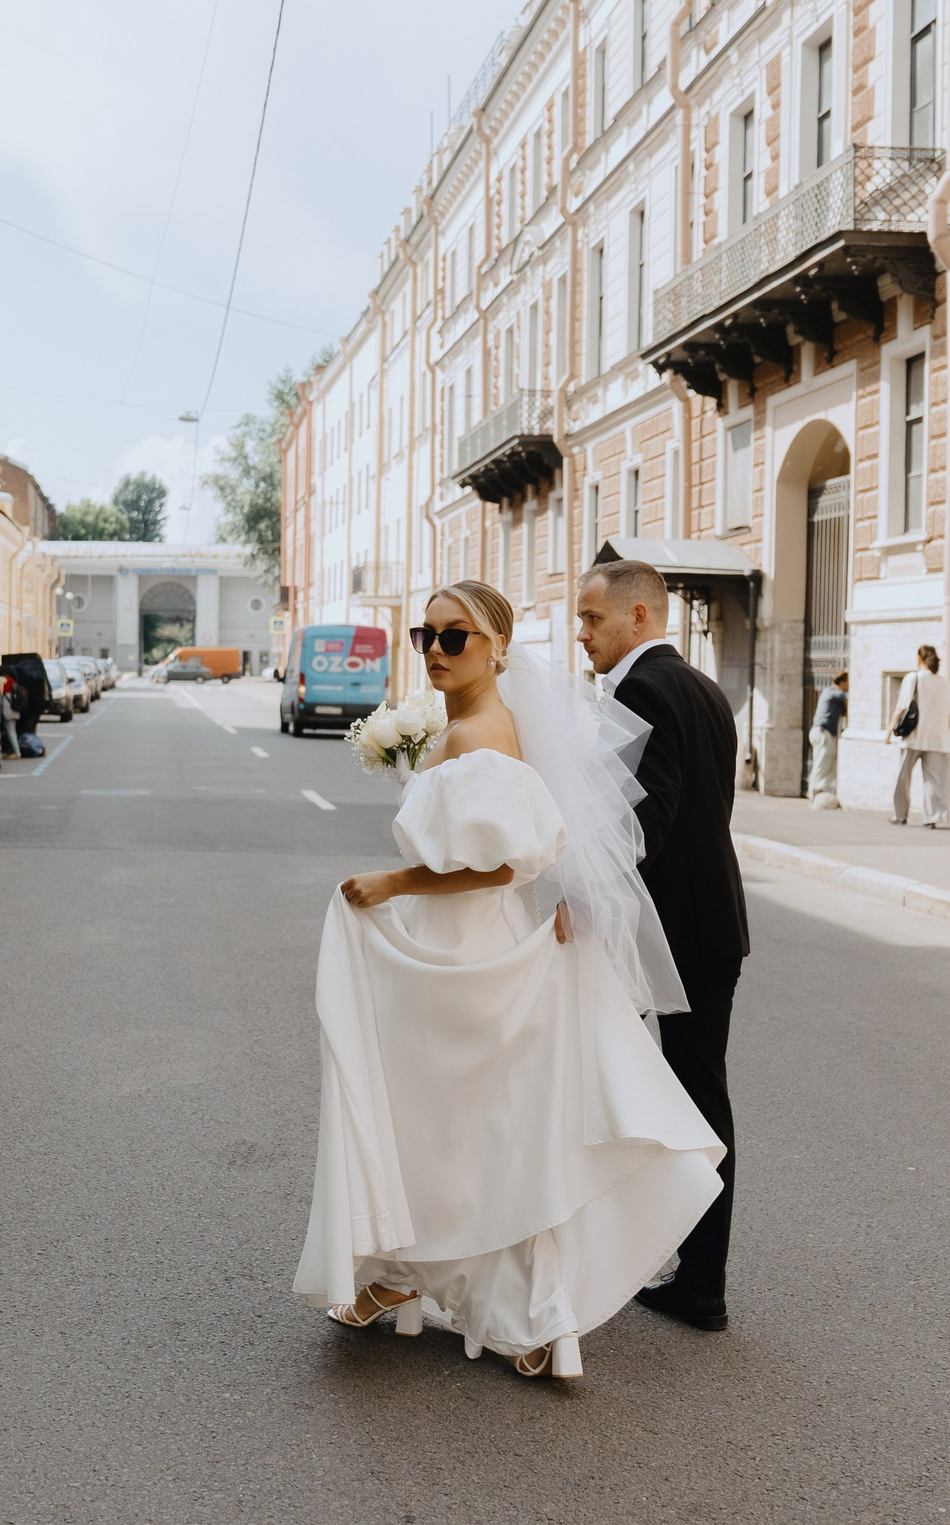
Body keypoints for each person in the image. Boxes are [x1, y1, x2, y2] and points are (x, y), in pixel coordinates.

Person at [296, 580, 722, 1381]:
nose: (435, 650)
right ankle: (408, 1276)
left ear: (497, 646)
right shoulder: (484, 724)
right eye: (426, 636)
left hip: (461, 954)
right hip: (460, 944)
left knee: (456, 1126)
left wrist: (392, 882)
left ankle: (491, 1299)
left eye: (454, 637)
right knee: (456, 1124)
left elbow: (496, 866)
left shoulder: (479, 736)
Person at [573, 558, 749, 1334]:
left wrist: (582, 889)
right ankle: (697, 1275)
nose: (582, 634)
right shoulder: (703, 687)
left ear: (638, 616)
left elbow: (647, 820)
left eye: (593, 619)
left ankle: (698, 1282)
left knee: (684, 1099)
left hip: (675, 932)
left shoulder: (642, 690)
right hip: (712, 924)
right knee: (698, 1093)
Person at [890, 644, 950, 828]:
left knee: (903, 777)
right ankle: (932, 817)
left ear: (919, 658)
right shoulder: (943, 682)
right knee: (934, 781)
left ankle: (901, 815)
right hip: (938, 737)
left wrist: (889, 731)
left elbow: (902, 707)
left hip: (914, 736)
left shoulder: (913, 678)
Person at [808, 672, 848, 808]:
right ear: (842, 682)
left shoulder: (828, 691)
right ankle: (816, 793)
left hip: (820, 732)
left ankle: (819, 789)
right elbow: (852, 698)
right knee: (822, 762)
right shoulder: (833, 692)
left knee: (826, 761)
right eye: (849, 682)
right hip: (822, 732)